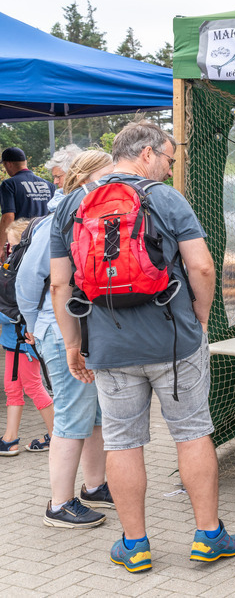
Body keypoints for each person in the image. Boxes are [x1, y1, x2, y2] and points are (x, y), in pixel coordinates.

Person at [50, 120, 235, 573]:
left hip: (110, 349)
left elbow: (60, 285)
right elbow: (203, 269)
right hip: (174, 342)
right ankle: (208, 536)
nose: (169, 168)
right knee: (192, 432)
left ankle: (135, 545)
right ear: (147, 153)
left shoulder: (71, 205)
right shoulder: (166, 199)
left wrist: (73, 345)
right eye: (169, 159)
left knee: (122, 442)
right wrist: (198, 318)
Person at [18, 150, 115, 529]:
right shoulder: (57, 221)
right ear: (85, 177)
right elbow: (30, 283)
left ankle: (94, 486)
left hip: (80, 331)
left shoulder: (89, 215)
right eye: (106, 178)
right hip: (61, 332)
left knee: (93, 416)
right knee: (72, 417)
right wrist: (38, 326)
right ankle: (59, 504)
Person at [0, 219, 55, 456]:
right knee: (13, 387)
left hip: (25, 340)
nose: (10, 251)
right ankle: (10, 438)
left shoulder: (25, 273)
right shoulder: (12, 269)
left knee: (33, 386)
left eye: (13, 245)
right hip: (14, 341)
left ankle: (57, 435)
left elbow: (18, 310)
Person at [1, 147, 55, 250]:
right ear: (25, 162)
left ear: (8, 164)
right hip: (45, 240)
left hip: (21, 241)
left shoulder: (9, 184)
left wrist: (0, 247)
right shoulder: (49, 185)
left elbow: (8, 217)